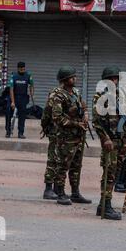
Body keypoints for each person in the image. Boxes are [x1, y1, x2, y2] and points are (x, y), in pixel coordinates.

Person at [50, 66, 91, 206]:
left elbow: (83, 106)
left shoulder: (76, 92)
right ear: (65, 80)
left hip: (78, 137)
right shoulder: (58, 95)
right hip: (66, 137)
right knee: (63, 165)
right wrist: (75, 124)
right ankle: (60, 193)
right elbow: (57, 117)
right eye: (72, 77)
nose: (75, 79)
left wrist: (85, 115)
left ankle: (75, 193)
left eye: (74, 76)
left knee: (76, 165)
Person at [92, 66, 125, 220]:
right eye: (110, 78)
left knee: (115, 172)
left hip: (120, 141)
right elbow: (97, 122)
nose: (113, 81)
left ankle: (102, 205)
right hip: (109, 142)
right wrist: (105, 139)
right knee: (109, 174)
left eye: (115, 78)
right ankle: (106, 206)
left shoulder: (119, 95)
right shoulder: (100, 96)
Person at [5, 62, 34, 139]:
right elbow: (11, 89)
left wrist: (32, 94)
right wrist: (13, 102)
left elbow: (31, 85)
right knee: (8, 114)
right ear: (18, 68)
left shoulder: (28, 76)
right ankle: (8, 131)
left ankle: (20, 133)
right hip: (14, 97)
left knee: (22, 116)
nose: (22, 70)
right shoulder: (14, 76)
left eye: (23, 68)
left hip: (23, 98)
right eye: (21, 69)